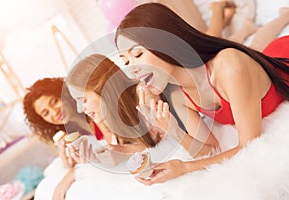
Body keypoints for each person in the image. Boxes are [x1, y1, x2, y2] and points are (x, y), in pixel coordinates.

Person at [114, 3, 289, 185]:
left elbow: (249, 144)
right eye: (126, 61)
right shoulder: (178, 96)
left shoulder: (229, 66)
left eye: (138, 54)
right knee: (258, 46)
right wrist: (172, 130)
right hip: (263, 65)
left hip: (285, 54)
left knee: (259, 45)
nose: (131, 70)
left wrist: (184, 167)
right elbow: (211, 151)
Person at [65, 54, 215, 165]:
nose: (80, 109)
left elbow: (172, 145)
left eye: (83, 100)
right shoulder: (106, 114)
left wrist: (124, 152)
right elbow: (144, 145)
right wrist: (94, 158)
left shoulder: (144, 94)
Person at [23, 77, 111, 200]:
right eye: (46, 113)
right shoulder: (72, 131)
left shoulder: (92, 107)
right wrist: (70, 163)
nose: (54, 112)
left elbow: (114, 145)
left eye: (54, 101)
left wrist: (71, 175)